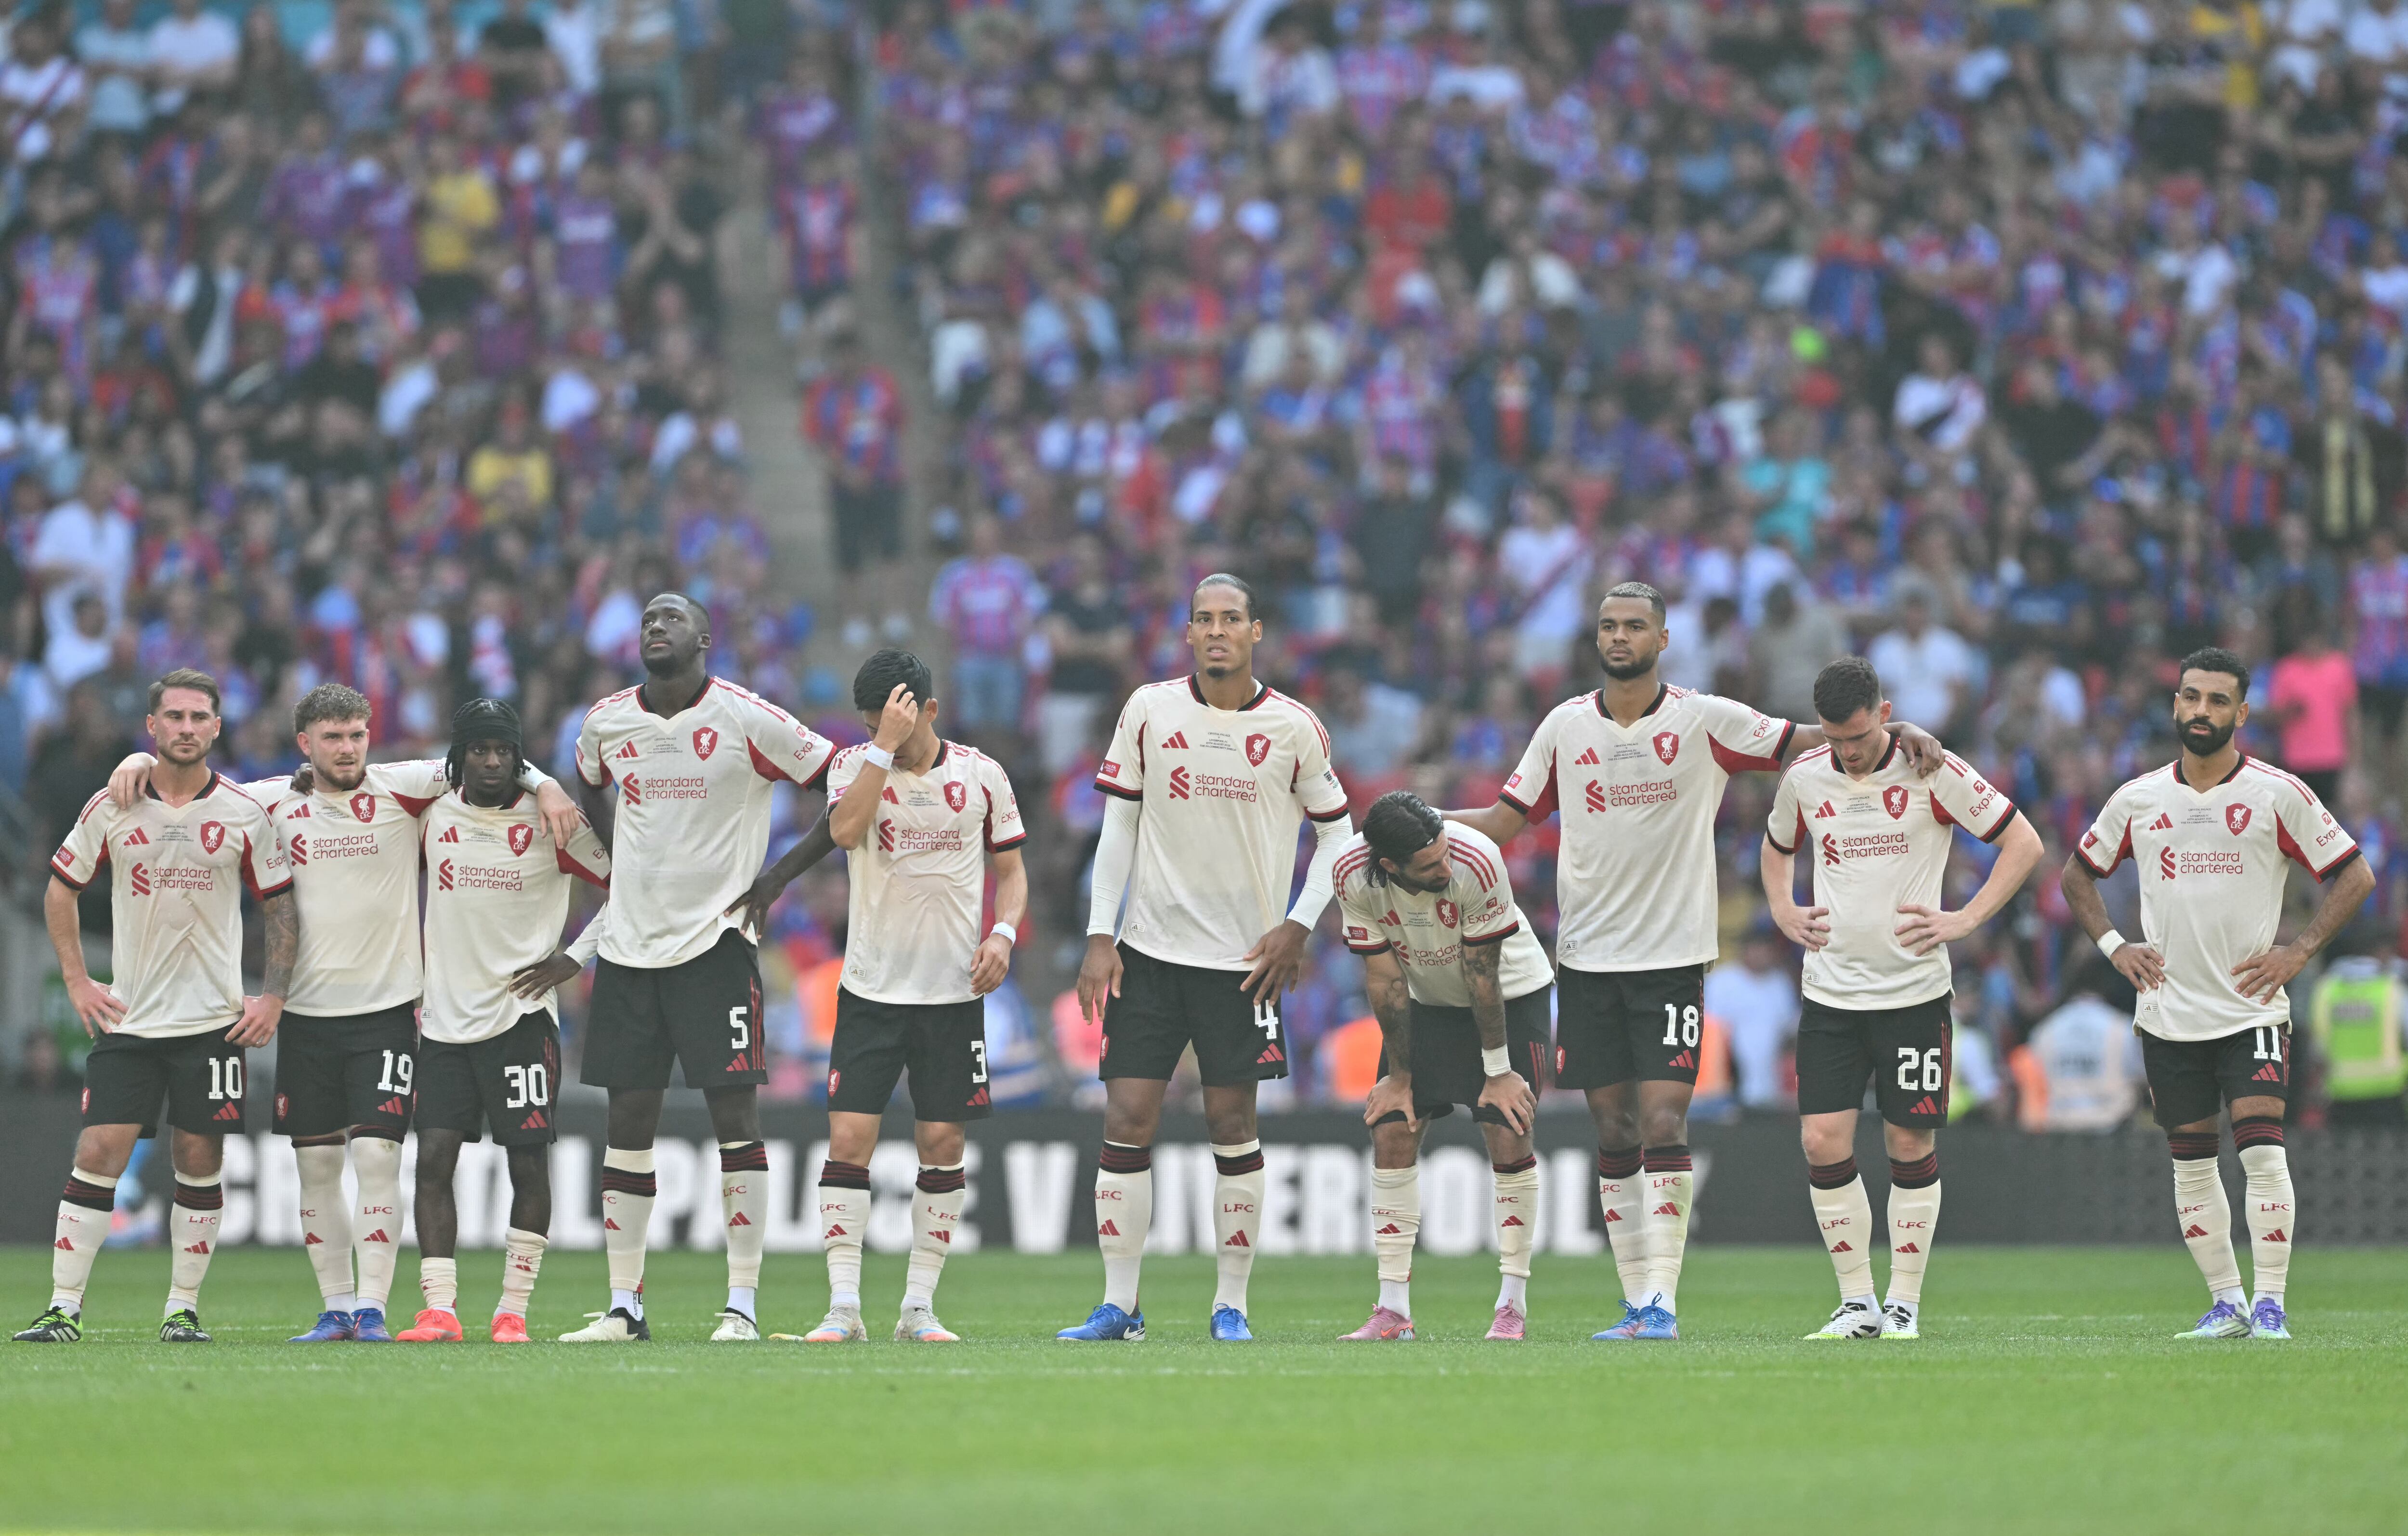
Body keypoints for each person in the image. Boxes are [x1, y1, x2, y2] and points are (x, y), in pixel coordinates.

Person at [1451, 581, 1942, 1342]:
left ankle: (1663, 1301)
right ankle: (1632, 1299)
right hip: (1585, 958)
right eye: (1609, 625)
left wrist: (1894, 726)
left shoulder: (1705, 720)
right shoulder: (1563, 727)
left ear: (1664, 638)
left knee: (1661, 1117)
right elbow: (1502, 821)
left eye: (1635, 626)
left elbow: (1810, 738)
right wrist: (1411, 823)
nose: (1620, 637)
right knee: (1612, 1128)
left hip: (1673, 956)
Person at [106, 683, 575, 1344]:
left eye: (356, 734)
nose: (348, 748)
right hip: (306, 1013)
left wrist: (548, 783)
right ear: (306, 743)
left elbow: (486, 754)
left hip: (388, 1010)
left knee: (381, 1156)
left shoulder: (403, 786)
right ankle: (336, 1305)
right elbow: (195, 787)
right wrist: (135, 764)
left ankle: (376, 1309)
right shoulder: (272, 800)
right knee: (318, 1167)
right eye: (333, 737)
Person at [1061, 573, 1352, 1343]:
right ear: (1187, 633)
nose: (1217, 630)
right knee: (1127, 1117)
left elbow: (1339, 839)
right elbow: (1117, 829)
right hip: (1148, 951)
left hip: (1245, 960)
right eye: (1204, 619)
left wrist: (1299, 924)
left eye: (1232, 619)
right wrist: (1100, 932)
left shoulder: (1295, 728)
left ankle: (1233, 1304)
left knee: (1232, 1121)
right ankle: (1120, 1304)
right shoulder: (1150, 710)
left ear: (1258, 631)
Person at [2062, 647, 2375, 1342]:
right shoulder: (2139, 797)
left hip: (2250, 1007)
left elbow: (2354, 873)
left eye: (2216, 700)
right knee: (2193, 1162)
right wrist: (2118, 949)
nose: (2201, 710)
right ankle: (2226, 1301)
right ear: (2175, 704)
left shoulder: (2277, 792)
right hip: (2169, 1011)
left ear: (2242, 712)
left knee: (2262, 1151)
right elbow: (2077, 877)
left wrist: (2298, 952)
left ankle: (2271, 1304)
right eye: (2191, 697)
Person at [565, 593, 835, 1343]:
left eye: (672, 618)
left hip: (717, 948)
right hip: (627, 948)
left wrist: (778, 879)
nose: (656, 626)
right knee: (627, 1125)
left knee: (735, 1121)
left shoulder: (749, 718)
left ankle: (741, 1305)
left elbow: (838, 783)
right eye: (648, 618)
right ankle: (625, 1305)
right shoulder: (609, 720)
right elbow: (586, 777)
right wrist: (617, 857)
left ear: (705, 639)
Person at [1761, 657, 2042, 1341]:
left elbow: (2024, 843)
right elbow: (1776, 848)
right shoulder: (1806, 778)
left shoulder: (1931, 770)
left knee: (1908, 1138)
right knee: (1822, 1139)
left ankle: (1905, 1303)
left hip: (1914, 993)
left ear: (1884, 715)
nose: (1847, 752)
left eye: (1856, 736)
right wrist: (1782, 907)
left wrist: (1965, 920)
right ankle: (1857, 1302)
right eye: (1834, 738)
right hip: (1831, 993)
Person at [16, 670, 292, 1345]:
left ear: (217, 728)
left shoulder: (242, 811)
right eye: (174, 716)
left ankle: (182, 1308)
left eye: (200, 716)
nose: (187, 727)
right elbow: (60, 890)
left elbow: (281, 905)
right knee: (98, 1149)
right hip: (131, 1019)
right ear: (153, 726)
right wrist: (79, 981)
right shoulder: (114, 802)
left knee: (199, 1159)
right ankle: (63, 1307)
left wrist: (275, 996)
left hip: (213, 1021)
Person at [790, 650, 1027, 1347]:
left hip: (951, 995)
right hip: (871, 989)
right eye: (868, 723)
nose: (876, 733)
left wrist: (1004, 934)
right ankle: (843, 1306)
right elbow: (842, 832)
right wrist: (882, 749)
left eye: (890, 719)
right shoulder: (855, 766)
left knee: (943, 1142)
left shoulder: (983, 776)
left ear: (928, 707)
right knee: (849, 1141)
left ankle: (918, 1307)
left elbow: (1011, 873)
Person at [394, 698, 609, 1344]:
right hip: (442, 1023)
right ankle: (439, 1308)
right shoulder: (431, 815)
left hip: (521, 1019)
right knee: (433, 1159)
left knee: (527, 1164)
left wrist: (574, 957)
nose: (491, 762)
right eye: (480, 750)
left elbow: (626, 887)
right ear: (459, 756)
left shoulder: (556, 822)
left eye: (503, 751)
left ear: (518, 756)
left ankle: (512, 1309)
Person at [1335, 791, 1547, 1343]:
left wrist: (1498, 1071)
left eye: (1442, 851)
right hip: (1426, 1002)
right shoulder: (1351, 877)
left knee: (1507, 1130)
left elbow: (1483, 973)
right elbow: (1383, 980)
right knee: (1391, 1129)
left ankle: (1512, 1305)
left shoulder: (1475, 859)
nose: (1444, 866)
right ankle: (1392, 1309)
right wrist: (1399, 1076)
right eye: (1429, 865)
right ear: (1388, 866)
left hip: (1509, 994)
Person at [2306, 942, 2407, 1127]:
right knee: (2388, 1153)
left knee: (2344, 1152)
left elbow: (2316, 1047)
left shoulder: (2325, 990)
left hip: (2340, 1093)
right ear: (2380, 953)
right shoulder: (2392, 989)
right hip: (2388, 1091)